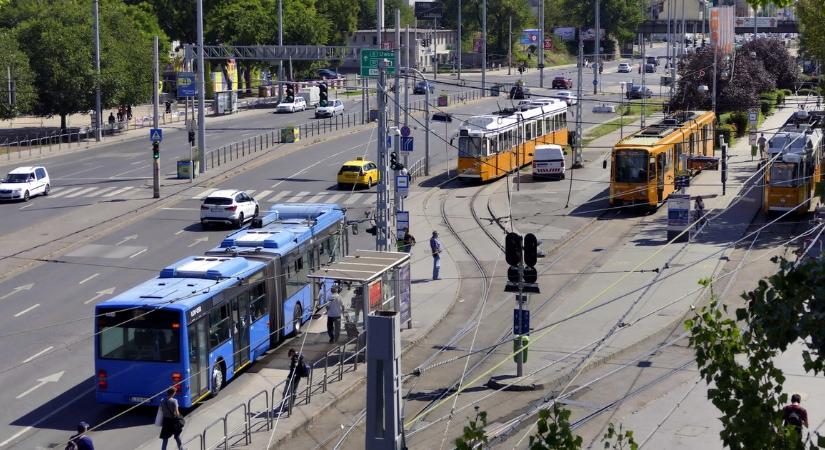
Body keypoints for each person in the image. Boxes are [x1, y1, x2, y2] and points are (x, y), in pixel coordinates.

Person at [282, 349, 306, 413]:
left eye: (290, 354)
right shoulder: (298, 356)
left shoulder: (295, 358)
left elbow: (295, 366)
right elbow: (302, 356)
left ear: (292, 352)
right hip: (297, 377)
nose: (290, 355)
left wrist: (295, 363)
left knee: (287, 392)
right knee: (293, 392)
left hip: (293, 378)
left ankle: (284, 405)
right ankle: (290, 406)